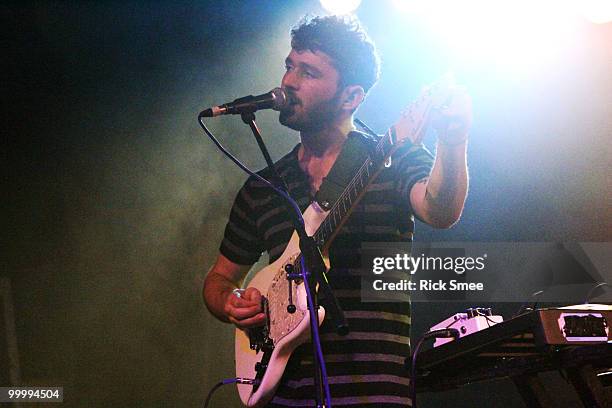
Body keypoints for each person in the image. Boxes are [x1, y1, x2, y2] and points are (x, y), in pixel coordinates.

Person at [203, 15, 471, 407]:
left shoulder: (392, 157)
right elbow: (218, 280)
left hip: (375, 393)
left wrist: (453, 140)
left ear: (351, 97)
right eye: (289, 66)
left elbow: (441, 210)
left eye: (308, 72)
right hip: (285, 396)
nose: (289, 82)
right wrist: (230, 302)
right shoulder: (262, 187)